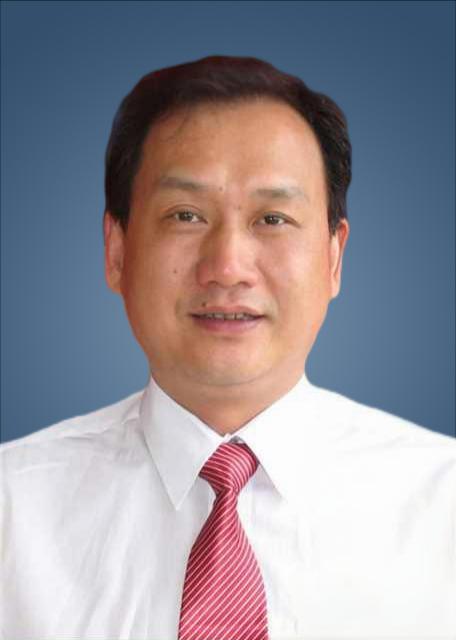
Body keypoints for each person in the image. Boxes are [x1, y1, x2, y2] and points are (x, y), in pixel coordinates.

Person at [1, 55, 455, 640]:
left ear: (333, 257)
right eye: (186, 215)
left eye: (273, 218)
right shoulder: (13, 507)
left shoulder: (443, 504)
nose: (228, 267)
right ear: (117, 251)